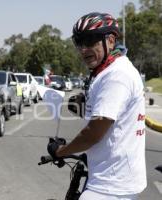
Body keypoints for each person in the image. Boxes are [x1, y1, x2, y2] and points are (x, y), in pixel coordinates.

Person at [47, 12, 147, 200]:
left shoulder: (116, 76)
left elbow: (93, 133)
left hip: (110, 186)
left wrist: (60, 151)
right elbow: (115, 118)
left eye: (90, 41)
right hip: (109, 176)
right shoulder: (108, 70)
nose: (84, 49)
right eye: (79, 43)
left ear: (110, 40)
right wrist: (86, 107)